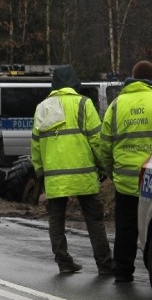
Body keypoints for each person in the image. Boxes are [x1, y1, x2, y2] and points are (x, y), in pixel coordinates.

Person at [101, 60, 152, 283]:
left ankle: (123, 271)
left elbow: (104, 145)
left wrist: (112, 173)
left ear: (133, 78)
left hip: (126, 181)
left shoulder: (116, 105)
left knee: (126, 228)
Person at [31, 66, 114, 275]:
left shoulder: (42, 108)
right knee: (94, 219)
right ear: (74, 82)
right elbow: (96, 139)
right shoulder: (83, 104)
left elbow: (35, 144)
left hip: (54, 177)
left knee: (55, 219)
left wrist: (40, 170)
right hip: (83, 174)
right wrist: (104, 166)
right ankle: (104, 263)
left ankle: (64, 262)